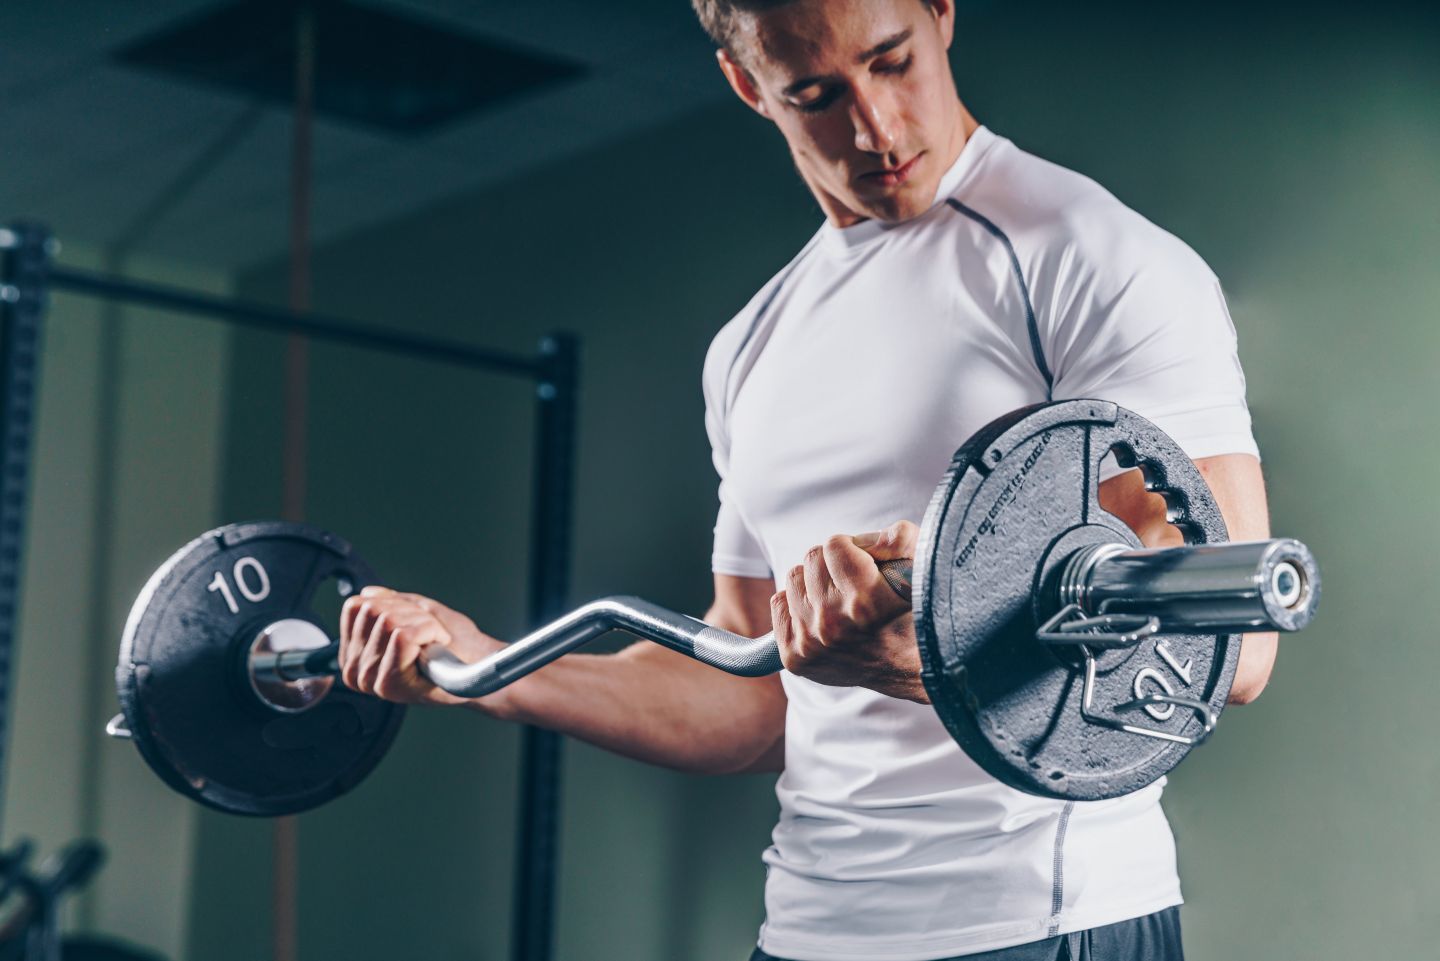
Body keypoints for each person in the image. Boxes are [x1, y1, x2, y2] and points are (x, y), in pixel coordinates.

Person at [337, 1, 1279, 958]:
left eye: (890, 60)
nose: (873, 127)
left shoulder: (1088, 257)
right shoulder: (750, 347)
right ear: (750, 86)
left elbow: (1229, 647)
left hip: (1041, 920)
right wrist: (492, 671)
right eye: (817, 94)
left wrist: (926, 660)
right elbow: (751, 691)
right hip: (811, 928)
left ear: (941, 13)